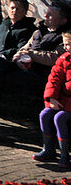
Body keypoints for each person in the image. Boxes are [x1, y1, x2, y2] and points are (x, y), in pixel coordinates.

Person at [0, 2, 71, 142]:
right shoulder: (39, 31)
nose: (45, 16)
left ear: (63, 20)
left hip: (41, 76)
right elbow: (23, 48)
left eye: (51, 15)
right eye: (46, 12)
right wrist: (18, 57)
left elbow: (55, 57)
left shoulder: (65, 36)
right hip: (22, 69)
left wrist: (31, 55)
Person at [33, 31, 71, 166]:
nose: (66, 48)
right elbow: (54, 79)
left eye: (69, 45)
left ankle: (64, 153)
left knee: (59, 118)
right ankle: (48, 149)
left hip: (69, 103)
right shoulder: (64, 59)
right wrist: (51, 98)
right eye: (65, 45)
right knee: (45, 114)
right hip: (62, 100)